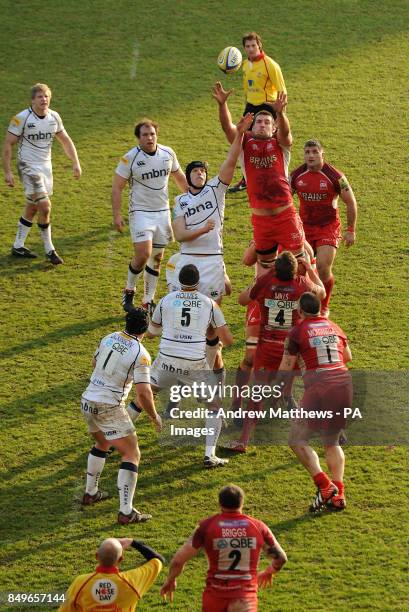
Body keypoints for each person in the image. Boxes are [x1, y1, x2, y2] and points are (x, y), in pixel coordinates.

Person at [172, 113, 253, 378]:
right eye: (195, 171)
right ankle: (203, 363)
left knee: (210, 321)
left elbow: (231, 160)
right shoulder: (180, 201)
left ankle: (207, 368)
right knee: (189, 320)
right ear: (188, 176)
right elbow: (180, 235)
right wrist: (202, 230)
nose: (200, 174)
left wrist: (239, 133)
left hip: (212, 259)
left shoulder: (216, 191)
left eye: (203, 171)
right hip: (187, 259)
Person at [228, 252, 325, 451]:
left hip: (268, 346)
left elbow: (242, 299)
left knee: (257, 392)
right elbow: (321, 293)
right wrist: (309, 271)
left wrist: (266, 276)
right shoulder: (301, 284)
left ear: (275, 269)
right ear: (294, 271)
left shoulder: (266, 282)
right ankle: (326, 430)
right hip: (292, 349)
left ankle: (243, 440)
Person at [80, 308, 162, 524]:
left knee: (103, 442)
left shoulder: (108, 337)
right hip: (109, 405)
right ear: (146, 328)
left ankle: (91, 492)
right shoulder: (141, 354)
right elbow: (144, 393)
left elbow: (95, 364)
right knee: (131, 454)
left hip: (88, 400)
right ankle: (126, 512)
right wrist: (154, 416)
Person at [147, 264, 233, 468]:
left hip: (166, 359)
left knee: (144, 396)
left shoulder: (166, 300)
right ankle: (209, 455)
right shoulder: (209, 303)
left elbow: (151, 333)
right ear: (198, 282)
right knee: (214, 406)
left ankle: (114, 439)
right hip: (194, 363)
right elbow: (227, 339)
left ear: (178, 281)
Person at [213, 84, 304, 267]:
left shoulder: (280, 144)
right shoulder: (244, 143)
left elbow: (286, 133)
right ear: (252, 126)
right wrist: (223, 105)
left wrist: (281, 113)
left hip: (285, 215)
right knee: (266, 267)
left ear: (273, 128)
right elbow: (228, 130)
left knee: (300, 266)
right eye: (259, 122)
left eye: (267, 122)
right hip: (261, 220)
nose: (262, 125)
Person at [279, 292, 353, 512]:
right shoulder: (335, 327)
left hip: (320, 386)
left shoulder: (297, 331)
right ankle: (339, 492)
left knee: (296, 439)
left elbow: (285, 367)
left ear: (300, 311)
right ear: (320, 308)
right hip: (344, 384)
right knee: (332, 442)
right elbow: (347, 356)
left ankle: (324, 486)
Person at [160, 484, 287, 610]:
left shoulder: (207, 527)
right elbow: (281, 558)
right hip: (244, 599)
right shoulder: (258, 527)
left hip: (215, 598)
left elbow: (178, 561)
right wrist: (269, 572)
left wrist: (171, 579)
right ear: (242, 503)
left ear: (220, 504)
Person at [112, 118, 187, 314]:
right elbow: (117, 187)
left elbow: (179, 177)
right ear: (138, 138)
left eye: (152, 134)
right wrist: (117, 214)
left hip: (162, 213)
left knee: (156, 258)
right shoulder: (130, 159)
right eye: (145, 135)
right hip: (140, 213)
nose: (149, 138)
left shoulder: (168, 153)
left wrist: (191, 202)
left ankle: (148, 300)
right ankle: (129, 290)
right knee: (143, 254)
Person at [2, 83, 81, 264]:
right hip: (27, 167)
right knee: (45, 206)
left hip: (46, 168)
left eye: (46, 96)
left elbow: (65, 140)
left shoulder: (54, 117)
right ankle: (49, 250)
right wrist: (7, 171)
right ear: (32, 100)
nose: (44, 99)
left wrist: (75, 162)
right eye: (40, 97)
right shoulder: (21, 118)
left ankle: (18, 246)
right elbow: (8, 144)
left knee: (33, 207)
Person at [290, 139, 358, 315]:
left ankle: (324, 305)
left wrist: (351, 231)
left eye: (314, 152)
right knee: (301, 269)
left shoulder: (336, 177)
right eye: (307, 152)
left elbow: (350, 203)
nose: (311, 156)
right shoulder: (296, 176)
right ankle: (303, 305)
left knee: (322, 267)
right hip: (304, 228)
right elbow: (285, 200)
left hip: (328, 227)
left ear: (322, 154)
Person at [229, 31, 287, 193]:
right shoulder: (246, 64)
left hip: (268, 106)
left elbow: (282, 90)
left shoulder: (270, 65)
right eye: (247, 46)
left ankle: (279, 175)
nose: (251, 49)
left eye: (253, 45)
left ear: (259, 46)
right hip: (251, 106)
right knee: (244, 142)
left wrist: (281, 112)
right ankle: (246, 178)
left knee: (275, 143)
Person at [59, 536, 165, 611]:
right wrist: (133, 542)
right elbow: (158, 560)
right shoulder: (132, 582)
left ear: (96, 556)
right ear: (121, 559)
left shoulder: (80, 582)